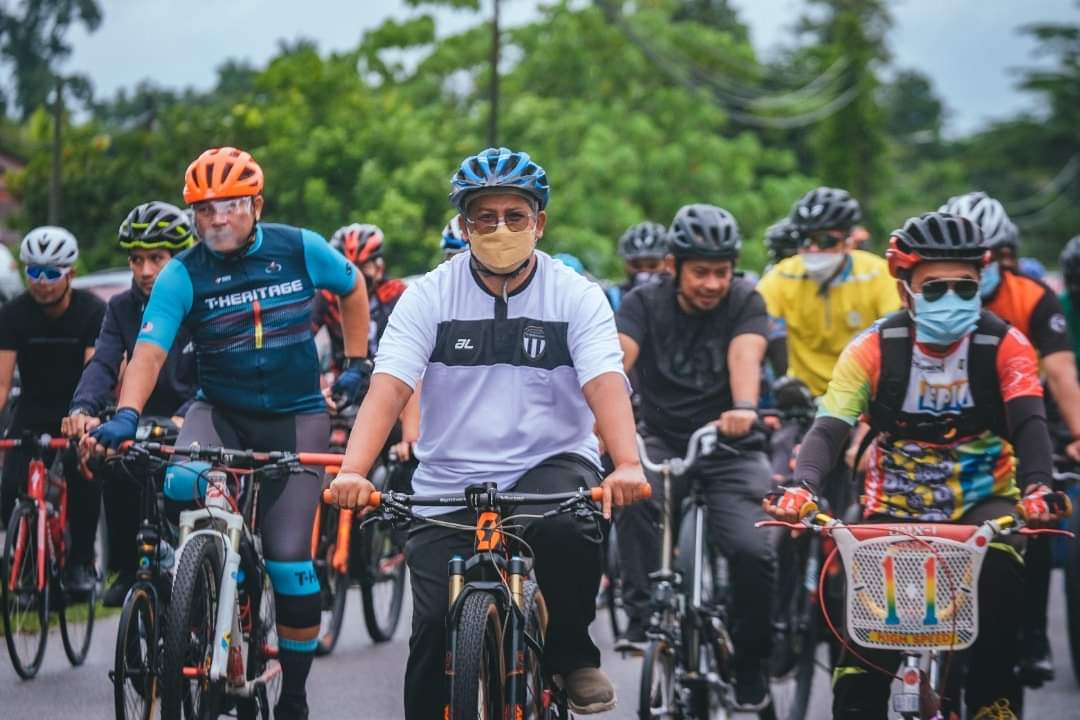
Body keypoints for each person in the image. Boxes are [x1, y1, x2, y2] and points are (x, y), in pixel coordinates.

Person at [326, 146, 648, 718]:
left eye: (515, 216)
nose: (500, 228)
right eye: (484, 217)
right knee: (428, 628)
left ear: (539, 223)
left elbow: (604, 382)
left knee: (571, 533)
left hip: (549, 467)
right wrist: (352, 470)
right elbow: (390, 387)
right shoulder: (428, 295)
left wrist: (625, 463)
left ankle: (573, 654)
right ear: (464, 224)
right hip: (448, 478)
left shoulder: (575, 295)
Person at [88, 146, 370, 720]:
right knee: (179, 482)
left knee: (292, 559)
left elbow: (354, 286)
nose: (217, 218)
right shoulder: (182, 273)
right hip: (218, 410)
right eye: (204, 208)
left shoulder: (300, 248)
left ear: (256, 205)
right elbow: (149, 348)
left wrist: (359, 359)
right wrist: (124, 411)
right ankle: (197, 586)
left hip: (297, 415)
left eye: (231, 206)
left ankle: (292, 693)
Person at [764, 211, 1071, 719]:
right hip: (893, 507)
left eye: (965, 287)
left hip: (982, 505)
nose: (951, 300)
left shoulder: (1006, 346)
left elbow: (1031, 425)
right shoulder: (871, 349)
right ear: (904, 288)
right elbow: (829, 428)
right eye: (934, 289)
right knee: (861, 652)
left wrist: (1038, 489)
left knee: (999, 596)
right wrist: (802, 487)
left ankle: (992, 702)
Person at [612, 203, 776, 709]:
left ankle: (752, 663)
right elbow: (615, 363)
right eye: (700, 272)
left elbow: (745, 356)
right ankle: (645, 618)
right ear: (674, 266)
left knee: (755, 552)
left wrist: (744, 408)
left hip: (730, 445)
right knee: (633, 491)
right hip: (663, 439)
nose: (711, 283)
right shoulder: (643, 303)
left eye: (721, 272)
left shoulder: (747, 301)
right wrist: (604, 417)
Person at [941, 191, 1080, 683]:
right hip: (944, 445)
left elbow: (1061, 374)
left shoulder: (1031, 298)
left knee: (1034, 525)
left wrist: (1078, 434)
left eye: (992, 257)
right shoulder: (928, 308)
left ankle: (1032, 636)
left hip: (1021, 432)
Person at [62, 201, 198, 606]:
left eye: (156, 258)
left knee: (188, 491)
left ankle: (204, 574)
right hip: (139, 417)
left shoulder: (203, 299)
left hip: (199, 416)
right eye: (136, 259)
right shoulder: (121, 308)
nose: (144, 271)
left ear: (182, 256)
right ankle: (127, 567)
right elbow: (103, 362)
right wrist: (82, 409)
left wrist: (187, 415)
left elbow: (218, 374)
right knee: (115, 466)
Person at [0, 226, 106, 593]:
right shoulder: (14, 314)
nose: (41, 282)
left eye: (51, 273)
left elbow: (96, 371)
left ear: (70, 274)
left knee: (85, 476)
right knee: (9, 484)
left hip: (76, 408)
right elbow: (2, 383)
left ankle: (80, 563)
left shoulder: (92, 310)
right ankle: (27, 563)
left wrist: (85, 418)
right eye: (34, 272)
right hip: (31, 409)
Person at [757, 186, 901, 398]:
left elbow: (897, 332)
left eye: (825, 241)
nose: (813, 249)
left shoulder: (878, 273)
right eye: (804, 240)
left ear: (848, 240)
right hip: (804, 399)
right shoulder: (782, 275)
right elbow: (753, 325)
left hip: (866, 396)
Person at [607, 221, 670, 309]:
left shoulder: (680, 300)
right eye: (636, 265)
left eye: (652, 265)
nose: (644, 272)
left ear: (668, 263)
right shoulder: (611, 298)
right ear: (626, 265)